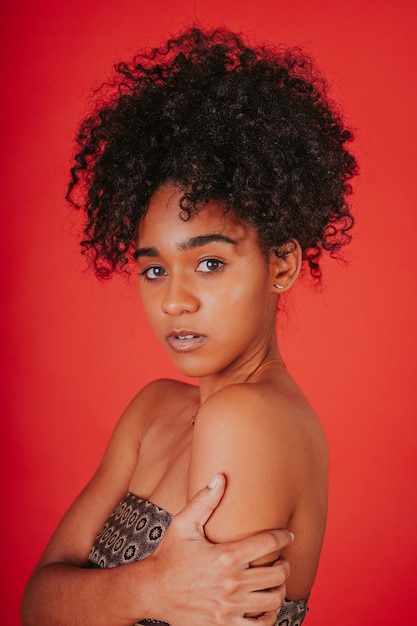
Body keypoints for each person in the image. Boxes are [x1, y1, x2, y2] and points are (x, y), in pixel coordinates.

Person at [21, 26, 357, 626]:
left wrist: (110, 596)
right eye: (154, 269)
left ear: (281, 263)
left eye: (208, 262)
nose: (174, 300)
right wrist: (150, 588)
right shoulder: (154, 410)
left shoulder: (248, 419)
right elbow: (37, 603)